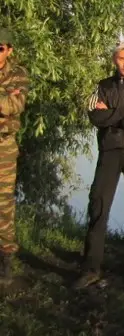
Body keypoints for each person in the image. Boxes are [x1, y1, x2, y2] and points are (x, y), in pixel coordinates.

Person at [74, 42, 124, 289]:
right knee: (98, 205)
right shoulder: (103, 85)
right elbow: (94, 115)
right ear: (114, 60)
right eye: (121, 58)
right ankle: (91, 268)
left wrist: (112, 114)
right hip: (109, 151)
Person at [0, 28, 29, 287]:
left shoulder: (18, 74)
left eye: (0, 48)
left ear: (9, 50)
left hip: (4, 147)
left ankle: (6, 255)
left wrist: (7, 101)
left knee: (3, 203)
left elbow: (14, 106)